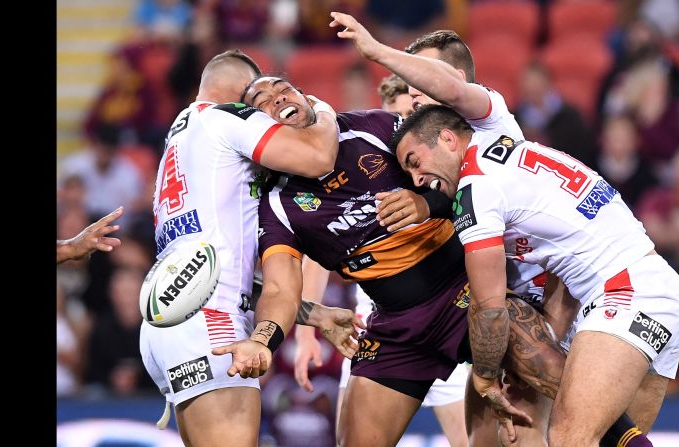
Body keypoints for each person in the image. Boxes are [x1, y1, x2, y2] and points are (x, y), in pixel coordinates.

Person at [328, 13, 652, 447]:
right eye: (407, 87)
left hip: (541, 311)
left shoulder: (488, 119)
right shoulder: (431, 149)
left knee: (554, 436)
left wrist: (377, 51)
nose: (414, 95)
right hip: (494, 319)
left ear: (453, 78)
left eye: (421, 80)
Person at [213, 75, 568, 447]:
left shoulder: (371, 128)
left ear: (306, 96)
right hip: (397, 329)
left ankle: (631, 438)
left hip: (467, 298)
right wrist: (261, 340)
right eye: (262, 100)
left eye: (283, 88)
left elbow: (468, 174)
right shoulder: (275, 206)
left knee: (559, 383)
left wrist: (426, 203)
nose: (278, 97)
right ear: (258, 129)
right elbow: (279, 288)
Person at [392, 104, 679, 446]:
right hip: (659, 287)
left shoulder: (475, 189)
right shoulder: (507, 142)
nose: (417, 180)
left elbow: (489, 306)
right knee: (617, 440)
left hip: (624, 292)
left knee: (568, 437)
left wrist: (486, 375)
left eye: (415, 162)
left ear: (447, 139)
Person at [138, 49, 362, 447]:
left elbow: (217, 269)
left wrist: (314, 314)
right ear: (242, 96)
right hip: (213, 324)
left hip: (172, 319)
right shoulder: (227, 118)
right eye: (258, 100)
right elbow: (317, 157)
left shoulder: (181, 136)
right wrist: (321, 108)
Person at [291, 74, 470, 447]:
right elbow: (324, 252)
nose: (406, 140)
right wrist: (308, 330)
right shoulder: (369, 154)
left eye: (412, 118)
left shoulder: (430, 169)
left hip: (452, 303)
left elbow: (463, 197)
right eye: (398, 121)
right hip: (379, 324)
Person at [57, 206, 124, 264]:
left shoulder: (101, 260)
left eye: (78, 227)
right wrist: (70, 248)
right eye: (69, 228)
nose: (74, 234)